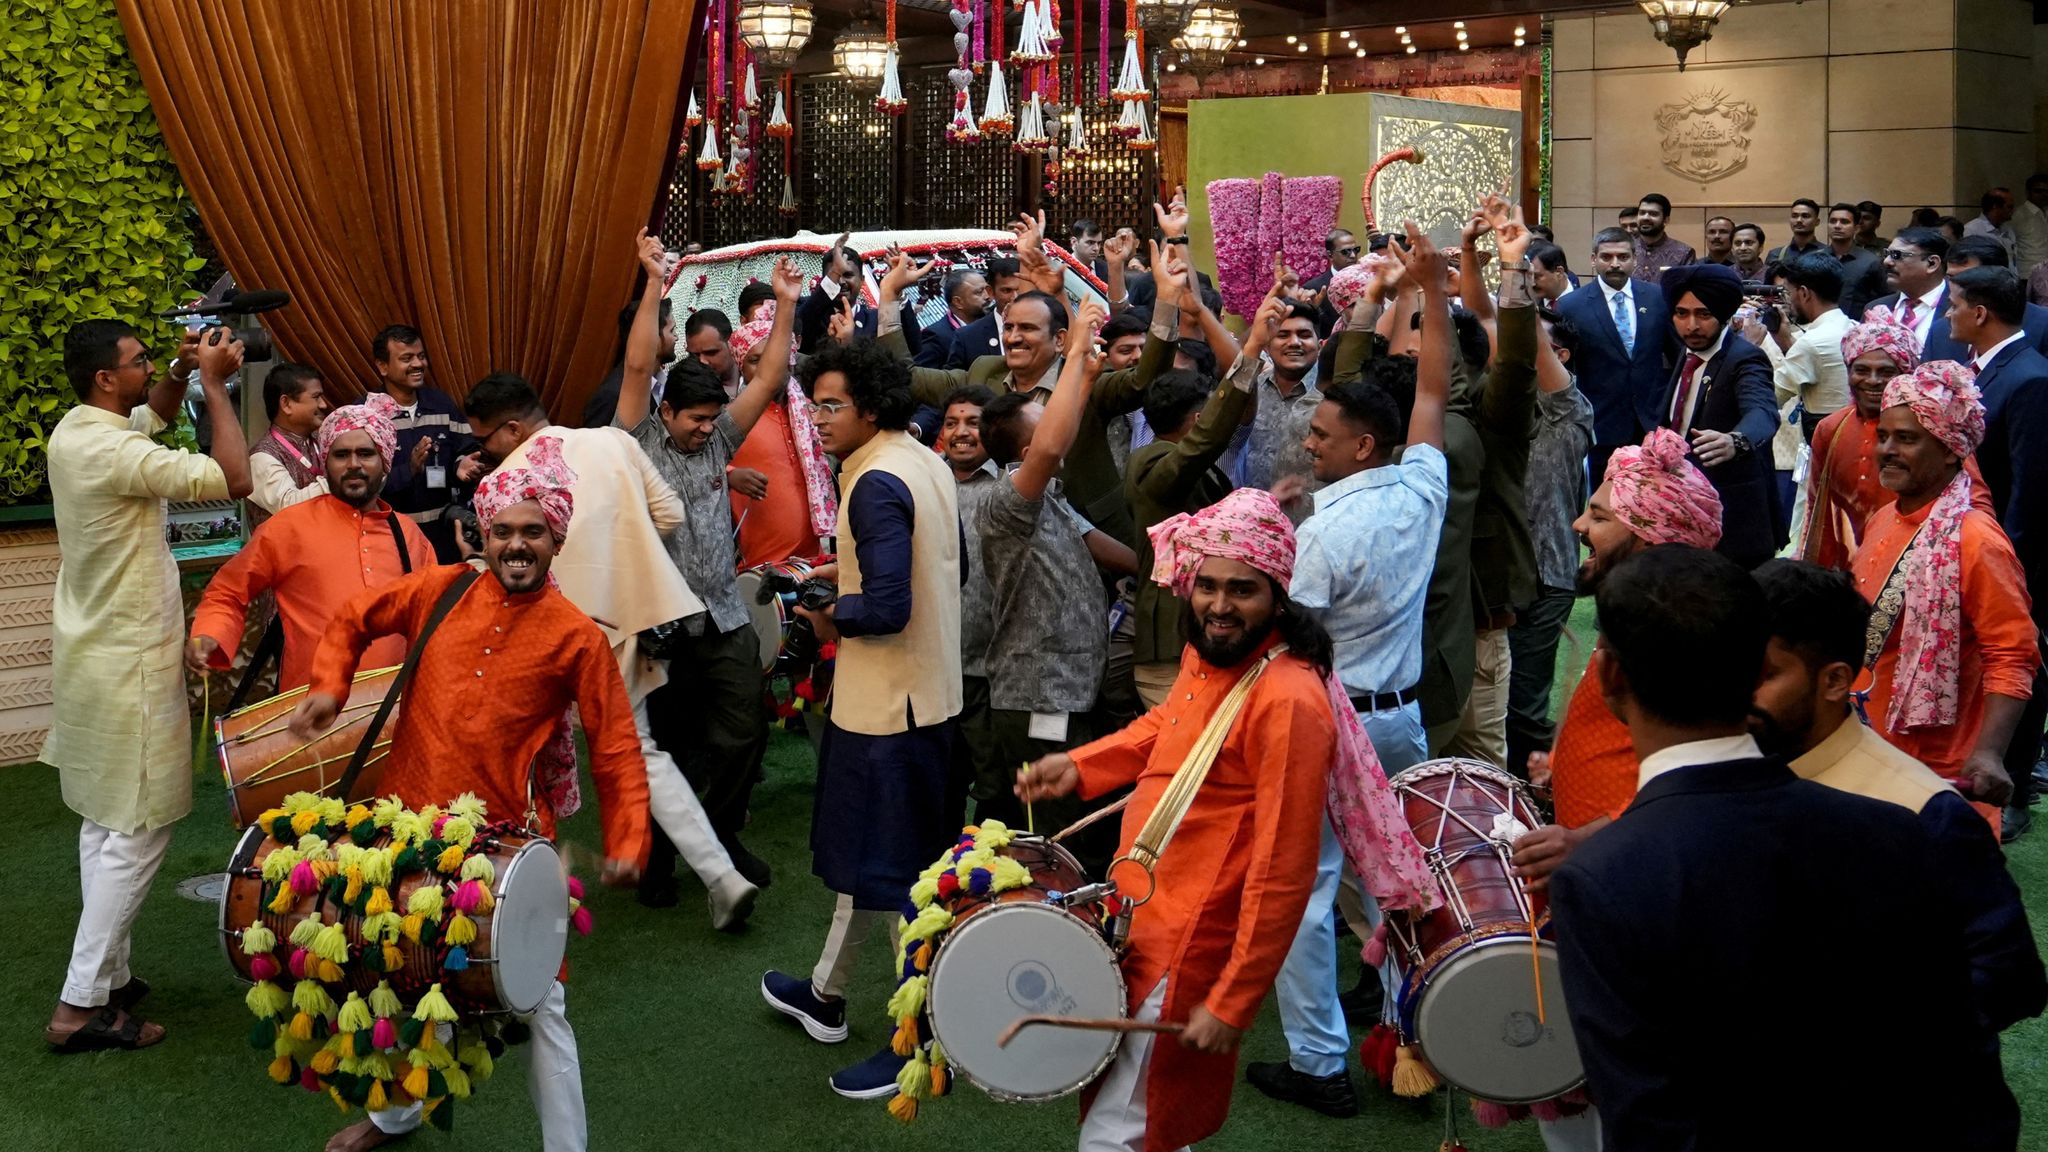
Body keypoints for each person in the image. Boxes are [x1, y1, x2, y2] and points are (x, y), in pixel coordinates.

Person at [1547, 544, 2017, 1151]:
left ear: (1610, 677)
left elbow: (1648, 1119)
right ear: (1751, 672)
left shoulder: (1601, 879)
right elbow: (1958, 1066)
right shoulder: (1891, 830)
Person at [1014, 486, 1434, 1152]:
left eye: (1242, 590)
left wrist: (1235, 999)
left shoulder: (1291, 700)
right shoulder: (1212, 652)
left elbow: (1283, 868)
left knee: (1122, 1127)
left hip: (1189, 942)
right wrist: (1085, 765)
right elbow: (1168, 727)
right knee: (1150, 1117)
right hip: (1145, 913)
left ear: (1278, 595)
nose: (1217, 604)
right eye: (1207, 585)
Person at [289, 444, 651, 1152]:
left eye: (533, 532)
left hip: (503, 849)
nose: (517, 545)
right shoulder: (439, 587)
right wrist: (330, 686)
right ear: (483, 534)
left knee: (544, 1004)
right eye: (503, 531)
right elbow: (354, 618)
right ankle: (394, 1116)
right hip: (403, 830)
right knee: (400, 972)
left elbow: (614, 747)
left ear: (555, 539)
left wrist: (631, 840)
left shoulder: (577, 637)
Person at [1247, 223, 1455, 1119]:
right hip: (1400, 719)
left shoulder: (1323, 537)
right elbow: (1434, 392)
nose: (1310, 445)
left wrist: (1273, 532)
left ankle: (1322, 1061)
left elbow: (1284, 632)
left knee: (1305, 890)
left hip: (1332, 728)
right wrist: (1434, 292)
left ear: (1362, 445)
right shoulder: (1421, 488)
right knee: (1401, 882)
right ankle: (1425, 1034)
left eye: (1324, 436)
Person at [466, 319, 756, 933]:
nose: (484, 450)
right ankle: (720, 876)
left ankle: (510, 887)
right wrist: (624, 563)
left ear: (513, 428)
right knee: (643, 752)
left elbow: (509, 571)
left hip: (548, 629)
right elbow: (671, 515)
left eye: (487, 437)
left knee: (512, 751)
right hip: (631, 626)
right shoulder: (615, 442)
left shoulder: (499, 486)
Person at [757, 338, 965, 1101]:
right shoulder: (924, 459)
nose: (817, 418)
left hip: (889, 711)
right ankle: (825, 991)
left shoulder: (874, 479)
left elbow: (884, 607)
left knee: (898, 878)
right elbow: (940, 575)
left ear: (870, 407)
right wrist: (836, 581)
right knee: (877, 867)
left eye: (832, 405)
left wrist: (819, 606)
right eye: (814, 403)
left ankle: (931, 1031)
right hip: (930, 699)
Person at [41, 320, 251, 1052]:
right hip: (129, 664)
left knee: (104, 822)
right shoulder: (118, 452)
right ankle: (77, 1006)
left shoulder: (76, 429)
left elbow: (150, 412)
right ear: (107, 378)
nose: (148, 371)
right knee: (141, 828)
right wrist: (217, 386)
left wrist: (178, 370)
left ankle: (109, 978)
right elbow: (234, 479)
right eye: (137, 363)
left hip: (93, 658)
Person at [1749, 559, 2046, 1034]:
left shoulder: (1924, 812)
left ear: (1834, 681)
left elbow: (2011, 979)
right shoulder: (1731, 766)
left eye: (1761, 676)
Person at [618, 241, 806, 895]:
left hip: (724, 618)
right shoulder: (638, 438)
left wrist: (784, 305)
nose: (705, 430)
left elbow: (768, 379)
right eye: (694, 421)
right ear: (665, 413)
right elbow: (640, 364)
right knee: (662, 750)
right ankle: (661, 860)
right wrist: (652, 284)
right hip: (660, 627)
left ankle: (722, 836)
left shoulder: (722, 434)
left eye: (710, 419)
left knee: (745, 732)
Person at [887, 209, 1196, 549]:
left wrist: (1167, 301)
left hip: (1095, 535)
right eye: (1010, 328)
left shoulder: (1084, 378)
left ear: (1060, 340)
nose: (1015, 337)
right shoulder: (984, 373)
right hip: (1009, 538)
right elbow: (907, 376)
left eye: (1028, 329)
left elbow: (1143, 380)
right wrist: (889, 297)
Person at [1514, 429, 1722, 871]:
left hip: (1633, 867)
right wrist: (1559, 764)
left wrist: (1584, 841)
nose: (1578, 525)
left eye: (1599, 517)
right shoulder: (1635, 616)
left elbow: (1691, 782)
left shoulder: (1678, 636)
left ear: (1648, 540)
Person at [972, 299, 1136, 848]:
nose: (1059, 434)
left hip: (1072, 689)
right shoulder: (1005, 501)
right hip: (1038, 695)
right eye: (1044, 430)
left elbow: (1100, 546)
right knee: (1054, 836)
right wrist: (1076, 346)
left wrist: (1167, 561)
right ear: (1025, 449)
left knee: (1082, 826)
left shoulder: (1052, 498)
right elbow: (1050, 442)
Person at [1850, 361, 2037, 836]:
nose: (1887, 450)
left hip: (1939, 768)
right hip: (1864, 742)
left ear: (1953, 451)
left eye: (1907, 439)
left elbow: (2012, 656)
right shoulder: (1885, 517)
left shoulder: (1977, 540)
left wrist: (1990, 753)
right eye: (1885, 436)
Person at [189, 393, 435, 691]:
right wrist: (210, 634)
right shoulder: (289, 527)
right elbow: (228, 591)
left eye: (365, 454)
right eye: (341, 455)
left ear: (384, 461)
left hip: (389, 713)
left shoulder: (409, 535)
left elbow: (431, 620)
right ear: (325, 463)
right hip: (308, 713)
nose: (353, 464)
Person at [1126, 280, 1267, 707]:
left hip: (1206, 635)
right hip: (1170, 645)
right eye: (1207, 416)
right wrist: (1253, 347)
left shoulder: (1181, 461)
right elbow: (1199, 447)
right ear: (1200, 418)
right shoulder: (1153, 463)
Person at [1947, 265, 2048, 836]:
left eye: (1954, 304)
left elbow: (2031, 491)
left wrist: (2006, 566)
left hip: (2012, 557)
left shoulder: (2029, 377)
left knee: (2019, 665)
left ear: (1979, 313)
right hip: (1980, 546)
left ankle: (2014, 784)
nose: (1948, 314)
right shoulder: (1982, 368)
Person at [1798, 306, 1992, 570]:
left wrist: (1968, 563)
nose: (1873, 381)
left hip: (1924, 567)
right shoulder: (1831, 428)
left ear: (1905, 374)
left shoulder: (1931, 423)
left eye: (1886, 372)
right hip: (1854, 570)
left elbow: (1974, 499)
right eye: (1862, 370)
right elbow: (1818, 510)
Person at [1506, 308, 1595, 781]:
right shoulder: (1500, 404)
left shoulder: (1569, 410)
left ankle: (1544, 792)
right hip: (1493, 579)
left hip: (1546, 574)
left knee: (1523, 703)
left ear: (1557, 355)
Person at [1656, 263, 1779, 568]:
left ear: (1724, 316)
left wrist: (1735, 440)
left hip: (1733, 521)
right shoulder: (1686, 356)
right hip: (1681, 511)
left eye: (1704, 314)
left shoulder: (1745, 358)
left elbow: (1762, 411)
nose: (1692, 325)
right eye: (1682, 314)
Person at [725, 298, 838, 571]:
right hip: (761, 565)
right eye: (755, 360)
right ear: (741, 366)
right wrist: (729, 474)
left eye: (773, 357)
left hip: (817, 558)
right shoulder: (732, 419)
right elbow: (696, 466)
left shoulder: (813, 413)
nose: (768, 367)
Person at [1555, 227, 1674, 481]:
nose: (1615, 264)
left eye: (1623, 257)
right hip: (1600, 424)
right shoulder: (1571, 306)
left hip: (1652, 423)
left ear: (1635, 259)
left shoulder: (1657, 298)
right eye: (1606, 257)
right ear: (1593, 259)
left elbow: (1676, 357)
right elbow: (1566, 368)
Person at [942, 384, 1002, 824]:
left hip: (992, 666)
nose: (961, 433)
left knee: (994, 782)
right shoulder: (926, 479)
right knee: (941, 778)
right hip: (937, 663)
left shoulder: (1009, 486)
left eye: (973, 423)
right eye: (950, 423)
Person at [370, 323, 478, 563]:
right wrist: (408, 470)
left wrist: (462, 464)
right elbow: (363, 482)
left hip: (445, 538)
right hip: (393, 539)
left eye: (420, 356)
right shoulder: (367, 413)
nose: (418, 364)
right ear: (383, 366)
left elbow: (466, 447)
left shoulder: (442, 403)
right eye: (407, 358)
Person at [1228, 297, 1323, 500]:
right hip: (1247, 516)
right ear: (1267, 347)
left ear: (1319, 344)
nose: (1294, 342)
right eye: (1283, 335)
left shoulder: (1329, 398)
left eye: (1304, 335)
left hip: (1304, 521)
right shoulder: (1250, 389)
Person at [1925, 236, 2048, 362]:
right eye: (1951, 277)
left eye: (1967, 277)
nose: (1958, 286)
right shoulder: (1940, 330)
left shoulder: (2043, 324)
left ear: (1998, 275)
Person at [246, 361, 331, 522]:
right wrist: (339, 480)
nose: (323, 404)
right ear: (286, 404)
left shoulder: (323, 442)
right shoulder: (261, 458)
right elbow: (289, 506)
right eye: (316, 397)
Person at [580, 294, 677, 427]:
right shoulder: (612, 396)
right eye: (672, 331)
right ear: (651, 337)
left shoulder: (663, 384)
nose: (676, 337)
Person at [1866, 226, 1951, 355]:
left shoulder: (1960, 309)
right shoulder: (1875, 308)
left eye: (1897, 255)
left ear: (1932, 263)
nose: (1887, 262)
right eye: (1887, 254)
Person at [945, 256, 1028, 369]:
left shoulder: (1046, 328)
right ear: (990, 292)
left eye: (1020, 290)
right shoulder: (968, 337)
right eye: (1007, 291)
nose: (1015, 297)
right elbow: (955, 382)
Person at [1821, 202, 1888, 319]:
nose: (1837, 226)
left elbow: (1885, 298)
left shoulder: (1872, 262)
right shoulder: (1815, 259)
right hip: (1819, 328)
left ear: (1856, 228)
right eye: (1832, 221)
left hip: (1857, 328)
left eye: (1844, 222)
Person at [914, 267, 990, 368]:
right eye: (979, 292)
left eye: (987, 289)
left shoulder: (993, 325)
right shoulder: (937, 336)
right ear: (958, 302)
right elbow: (924, 378)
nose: (987, 296)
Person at [1302, 226, 1362, 336]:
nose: (1353, 255)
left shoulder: (1367, 283)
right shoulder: (1314, 288)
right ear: (1330, 255)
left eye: (1356, 250)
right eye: (1346, 252)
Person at [1629, 192, 1695, 282]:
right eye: (1642, 213)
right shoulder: (1626, 248)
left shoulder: (1683, 253)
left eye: (1653, 214)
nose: (1646, 217)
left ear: (1666, 220)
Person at [1964, 187, 2018, 267]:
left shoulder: (2008, 229)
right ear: (1995, 206)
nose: (2013, 211)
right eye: (2009, 207)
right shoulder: (1972, 230)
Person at [1764, 197, 1825, 264]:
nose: (1799, 220)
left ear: (1817, 222)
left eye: (1805, 216)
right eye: (1794, 216)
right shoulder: (1775, 255)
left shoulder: (1828, 253)